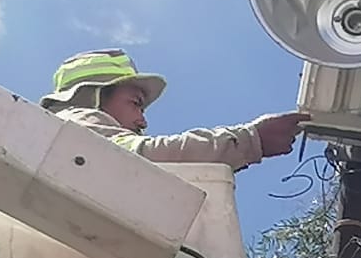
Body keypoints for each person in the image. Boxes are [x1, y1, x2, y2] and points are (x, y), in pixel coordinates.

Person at [39, 49, 309, 171]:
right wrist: (252, 139)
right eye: (135, 103)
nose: (143, 121)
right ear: (93, 97)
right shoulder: (76, 123)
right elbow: (143, 155)